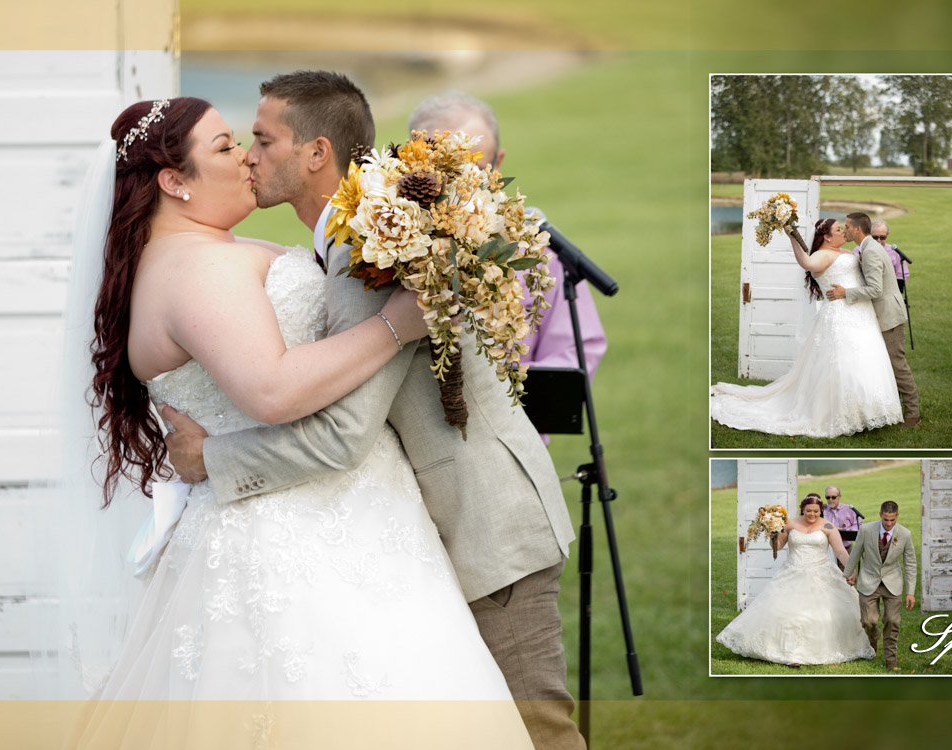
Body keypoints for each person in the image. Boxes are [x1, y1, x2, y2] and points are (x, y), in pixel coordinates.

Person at [57, 94, 531, 742]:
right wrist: (399, 322)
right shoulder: (198, 268)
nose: (247, 158)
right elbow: (273, 390)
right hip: (293, 539)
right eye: (225, 147)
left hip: (343, 517)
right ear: (174, 181)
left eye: (249, 141)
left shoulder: (203, 253)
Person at [156, 72, 581, 748]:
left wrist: (211, 458)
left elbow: (342, 437)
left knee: (537, 735)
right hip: (437, 526)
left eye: (263, 140)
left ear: (316, 153)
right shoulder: (349, 234)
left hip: (485, 527)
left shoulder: (367, 246)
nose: (249, 157)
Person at [408, 91, 607, 386]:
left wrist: (506, 399)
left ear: (497, 165)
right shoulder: (389, 246)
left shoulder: (538, 253)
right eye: (441, 174)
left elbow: (575, 354)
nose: (454, 190)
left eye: (471, 172)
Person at [710, 218, 901, 437]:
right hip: (840, 316)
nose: (843, 232)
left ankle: (868, 411)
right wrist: (792, 237)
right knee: (844, 363)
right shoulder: (821, 255)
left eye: (844, 228)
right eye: (839, 230)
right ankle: (842, 414)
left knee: (866, 360)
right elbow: (806, 263)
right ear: (827, 236)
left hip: (862, 315)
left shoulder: (848, 252)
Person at [716, 495, 875, 667]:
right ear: (802, 509)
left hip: (821, 573)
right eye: (808, 511)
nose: (812, 514)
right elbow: (777, 547)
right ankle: (790, 654)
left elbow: (840, 551)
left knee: (824, 613)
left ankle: (819, 649)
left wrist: (850, 570)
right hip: (792, 572)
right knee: (784, 612)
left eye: (816, 511)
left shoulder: (828, 526)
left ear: (820, 510)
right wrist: (773, 535)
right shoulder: (790, 524)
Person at [824, 212, 921, 427]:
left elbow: (876, 289)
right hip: (878, 314)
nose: (845, 229)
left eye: (847, 227)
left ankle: (913, 414)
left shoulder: (871, 252)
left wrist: (845, 293)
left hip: (889, 315)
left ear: (857, 229)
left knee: (897, 364)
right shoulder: (867, 248)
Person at [843, 501, 917, 671]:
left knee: (892, 620)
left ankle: (891, 658)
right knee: (868, 621)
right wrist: (846, 575)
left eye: (892, 520)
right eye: (886, 520)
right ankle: (874, 638)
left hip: (893, 582)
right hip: (869, 580)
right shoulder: (866, 530)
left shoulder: (905, 534)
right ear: (880, 515)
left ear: (897, 516)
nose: (889, 523)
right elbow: (855, 554)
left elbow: (910, 563)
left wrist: (911, 592)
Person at [871, 219, 909, 295]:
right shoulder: (859, 250)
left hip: (889, 294)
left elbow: (902, 275)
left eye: (882, 237)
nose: (878, 241)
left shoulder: (895, 252)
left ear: (887, 234)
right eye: (875, 237)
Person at [821, 485, 862, 550]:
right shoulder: (822, 510)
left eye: (833, 497)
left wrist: (845, 531)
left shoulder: (848, 509)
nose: (830, 500)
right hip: (827, 550)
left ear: (839, 497)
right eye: (828, 497)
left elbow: (858, 525)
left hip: (846, 548)